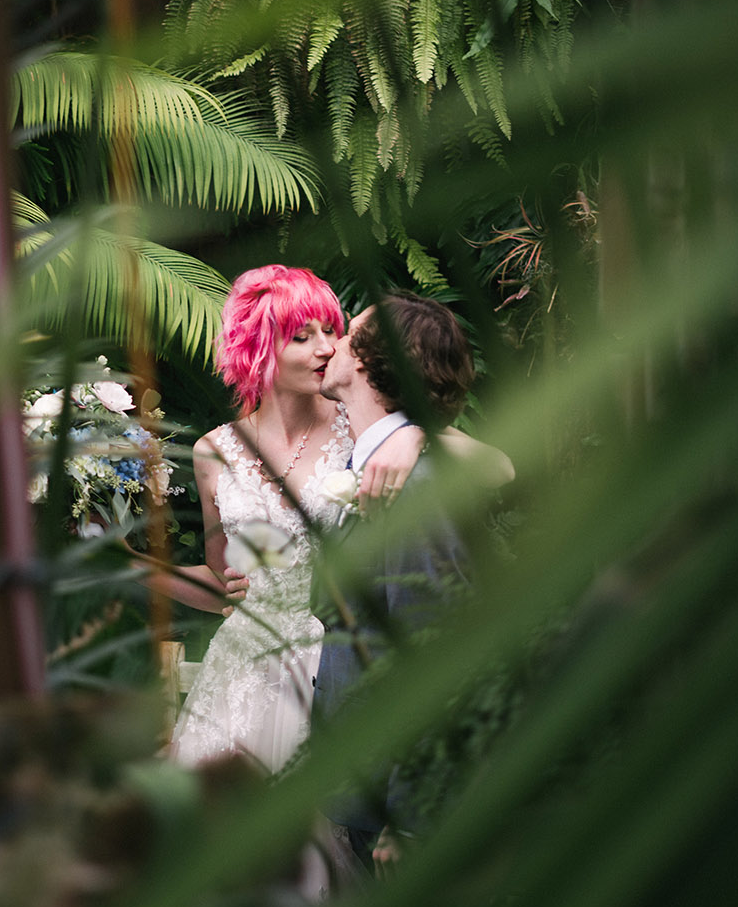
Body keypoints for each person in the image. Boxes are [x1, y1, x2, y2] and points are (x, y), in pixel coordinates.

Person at [154, 267, 510, 775]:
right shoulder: (214, 451)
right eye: (302, 337)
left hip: (334, 663)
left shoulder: (363, 421)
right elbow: (225, 584)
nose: (325, 348)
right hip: (242, 674)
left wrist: (414, 436)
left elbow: (499, 466)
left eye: (330, 331)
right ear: (259, 349)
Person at [310, 290, 482, 879]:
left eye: (345, 332)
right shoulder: (377, 469)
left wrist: (411, 816)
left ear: (364, 359)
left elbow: (435, 639)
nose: (327, 346)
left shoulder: (416, 485)